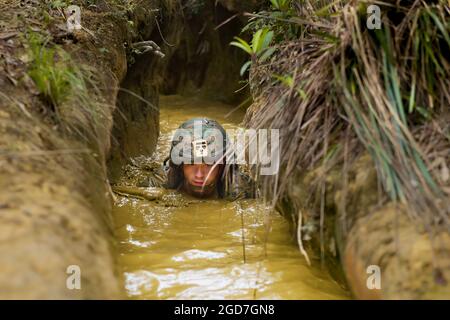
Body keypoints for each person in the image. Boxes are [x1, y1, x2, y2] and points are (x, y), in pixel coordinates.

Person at [163, 118, 256, 199]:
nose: (199, 175)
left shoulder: (244, 190)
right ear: (180, 165)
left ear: (222, 166)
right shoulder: (161, 181)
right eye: (191, 164)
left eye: (209, 165)